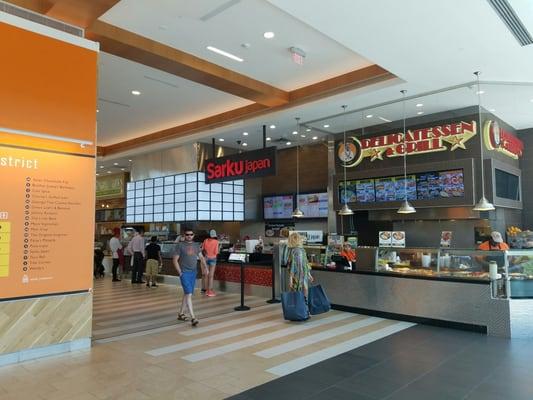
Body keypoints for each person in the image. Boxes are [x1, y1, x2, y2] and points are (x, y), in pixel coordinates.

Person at [173, 228, 208, 327]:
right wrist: (180, 272)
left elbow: (201, 257)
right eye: (187, 234)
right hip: (184, 273)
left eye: (191, 234)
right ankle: (193, 317)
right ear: (184, 235)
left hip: (193, 273)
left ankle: (180, 314)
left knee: (187, 294)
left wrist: (206, 268)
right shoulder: (180, 245)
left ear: (193, 235)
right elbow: (175, 260)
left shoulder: (196, 245)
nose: (189, 236)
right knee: (188, 294)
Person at [287, 232, 313, 298]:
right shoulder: (302, 250)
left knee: (296, 292)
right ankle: (304, 305)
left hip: (297, 275)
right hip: (304, 275)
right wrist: (309, 274)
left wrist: (290, 279)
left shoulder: (293, 251)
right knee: (305, 290)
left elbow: (292, 266)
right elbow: (306, 263)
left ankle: (298, 306)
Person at [201, 229, 220, 297]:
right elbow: (216, 252)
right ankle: (210, 290)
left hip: (206, 259)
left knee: (206, 275)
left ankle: (206, 290)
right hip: (213, 259)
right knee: (211, 276)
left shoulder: (205, 240)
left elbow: (203, 250)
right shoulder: (216, 242)